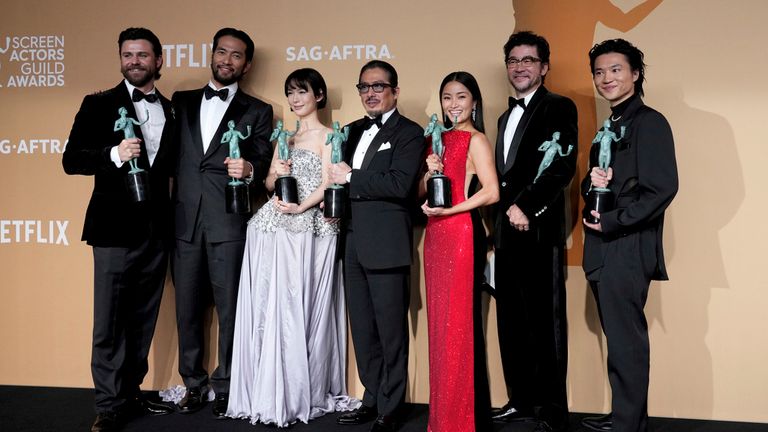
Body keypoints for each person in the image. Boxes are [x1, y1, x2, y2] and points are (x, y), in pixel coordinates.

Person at [226, 68, 354, 427]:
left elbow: (331, 180)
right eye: (290, 93)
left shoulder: (331, 137)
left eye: (302, 92)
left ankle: (299, 390)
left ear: (319, 96)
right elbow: (269, 183)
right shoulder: (285, 136)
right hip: (272, 227)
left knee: (301, 303)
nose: (296, 99)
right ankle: (265, 388)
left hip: (309, 226)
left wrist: (302, 206)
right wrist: (277, 170)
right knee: (270, 306)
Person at [62, 27, 175, 432]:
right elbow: (71, 159)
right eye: (128, 55)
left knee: (142, 320)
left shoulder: (172, 109)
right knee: (109, 320)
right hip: (112, 231)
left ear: (158, 61)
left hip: (157, 231)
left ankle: (130, 394)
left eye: (142, 55)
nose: (134, 61)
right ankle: (108, 405)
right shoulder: (98, 104)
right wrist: (113, 153)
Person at [171, 27, 273, 418]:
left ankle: (228, 385)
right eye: (222, 52)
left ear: (246, 64)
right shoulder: (179, 102)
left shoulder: (258, 110)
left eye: (236, 56)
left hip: (229, 221)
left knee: (232, 309)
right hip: (183, 222)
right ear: (211, 55)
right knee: (186, 310)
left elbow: (262, 158)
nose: (226, 60)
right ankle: (192, 384)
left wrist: (249, 167)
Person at [581, 38, 678, 432]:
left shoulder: (650, 122)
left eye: (616, 70)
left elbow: (662, 188)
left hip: (628, 244)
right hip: (603, 247)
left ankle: (629, 424)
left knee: (627, 342)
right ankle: (625, 415)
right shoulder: (609, 126)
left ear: (636, 74)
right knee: (618, 339)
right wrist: (593, 184)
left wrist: (614, 221)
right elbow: (595, 189)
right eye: (600, 72)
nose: (607, 78)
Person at [329, 60, 426, 432]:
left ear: (395, 91)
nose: (370, 93)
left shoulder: (410, 133)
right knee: (364, 329)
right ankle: (372, 396)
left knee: (390, 330)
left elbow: (400, 185)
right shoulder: (350, 131)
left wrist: (353, 177)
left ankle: (392, 405)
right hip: (351, 242)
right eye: (364, 87)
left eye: (378, 86)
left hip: (386, 244)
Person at [491, 31, 578, 432]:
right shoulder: (503, 117)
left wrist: (526, 205)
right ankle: (520, 400)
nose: (519, 67)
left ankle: (552, 410)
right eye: (513, 60)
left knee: (546, 323)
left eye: (528, 60)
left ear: (544, 67)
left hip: (539, 230)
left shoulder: (559, 107)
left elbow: (561, 167)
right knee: (510, 320)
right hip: (506, 234)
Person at [419, 71, 499, 432]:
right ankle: (443, 419)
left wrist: (451, 210)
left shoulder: (476, 139)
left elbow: (492, 192)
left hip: (461, 234)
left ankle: (461, 422)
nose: (453, 104)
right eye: (447, 97)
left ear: (475, 102)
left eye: (461, 97)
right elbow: (423, 191)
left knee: (458, 328)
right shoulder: (437, 139)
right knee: (440, 328)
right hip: (435, 237)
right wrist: (429, 170)